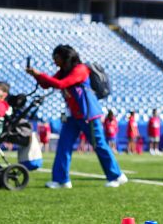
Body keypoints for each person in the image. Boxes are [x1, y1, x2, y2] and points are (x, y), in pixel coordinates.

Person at [26, 45, 126, 188]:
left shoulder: (80, 70)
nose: (54, 61)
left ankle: (116, 176)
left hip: (88, 115)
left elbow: (61, 84)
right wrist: (35, 75)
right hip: (73, 115)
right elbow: (47, 85)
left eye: (56, 58)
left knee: (99, 145)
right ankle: (61, 180)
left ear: (66, 57)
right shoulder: (63, 71)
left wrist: (40, 74)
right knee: (63, 146)